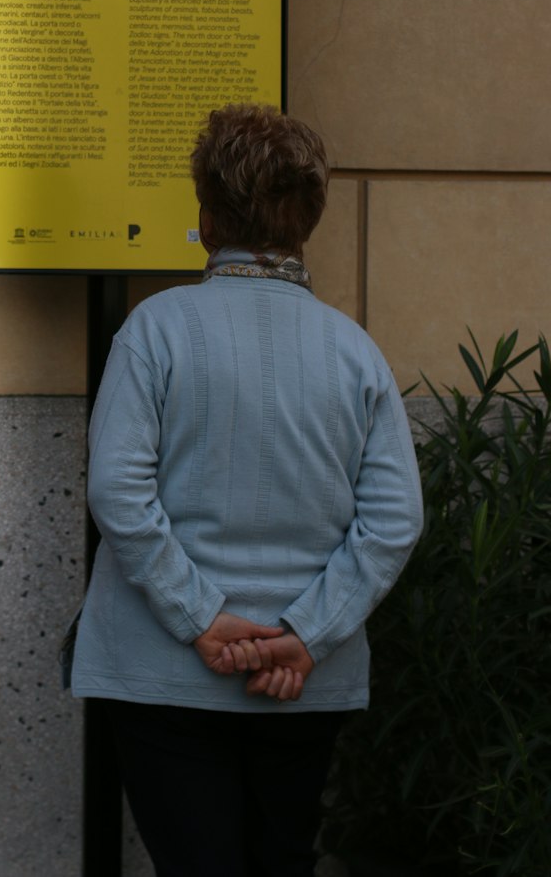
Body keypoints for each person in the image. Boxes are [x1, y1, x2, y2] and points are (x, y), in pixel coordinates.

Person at [70, 104, 423, 877]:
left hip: (164, 671)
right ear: (311, 219)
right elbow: (395, 519)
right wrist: (307, 634)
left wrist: (202, 618)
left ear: (205, 215)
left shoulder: (155, 330)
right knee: (282, 861)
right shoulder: (355, 353)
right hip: (303, 677)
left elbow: (119, 492)